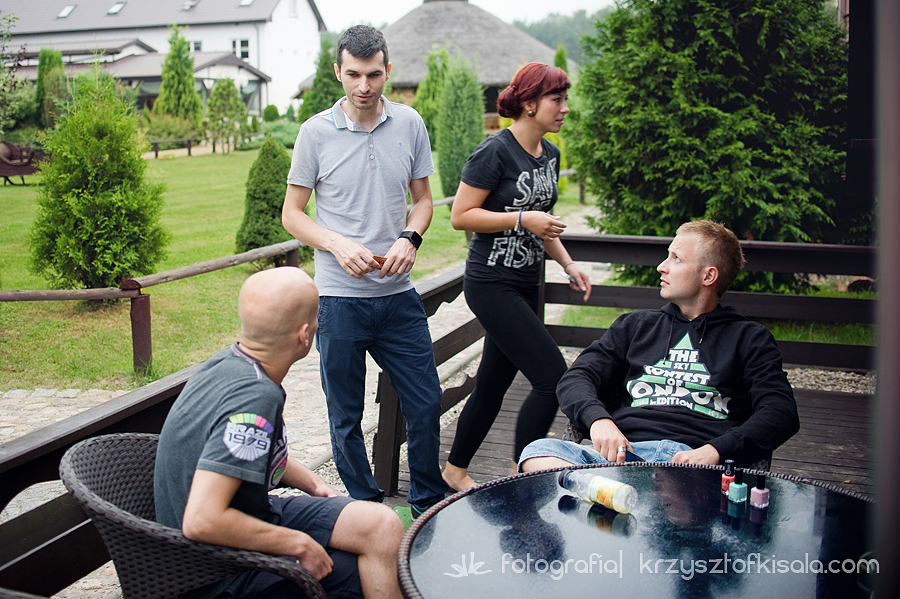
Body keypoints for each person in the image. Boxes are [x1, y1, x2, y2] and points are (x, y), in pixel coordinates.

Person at [154, 267, 404, 599]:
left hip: (252, 516)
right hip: (215, 570)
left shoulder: (230, 362)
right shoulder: (256, 398)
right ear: (305, 335)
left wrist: (314, 484)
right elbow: (201, 520)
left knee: (383, 527)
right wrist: (298, 543)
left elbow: (246, 453)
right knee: (359, 571)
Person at [282, 25, 449, 517]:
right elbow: (292, 214)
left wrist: (410, 237)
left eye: (374, 75)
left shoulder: (410, 124)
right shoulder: (314, 132)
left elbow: (423, 202)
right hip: (337, 299)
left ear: (388, 71)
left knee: (425, 403)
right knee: (345, 419)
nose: (363, 86)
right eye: (353, 75)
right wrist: (335, 243)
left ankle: (426, 507)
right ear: (338, 72)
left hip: (398, 297)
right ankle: (367, 512)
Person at [519, 220, 800, 472]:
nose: (661, 266)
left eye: (676, 258)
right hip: (623, 456)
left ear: (708, 276)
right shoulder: (635, 326)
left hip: (695, 465)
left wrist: (716, 451)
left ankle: (605, 496)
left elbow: (780, 411)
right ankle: (609, 491)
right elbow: (577, 377)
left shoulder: (749, 338)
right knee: (537, 453)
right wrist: (598, 420)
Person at [441, 62, 593, 492]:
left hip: (528, 282)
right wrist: (522, 218)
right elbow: (460, 216)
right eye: (556, 99)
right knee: (553, 379)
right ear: (528, 104)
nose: (565, 108)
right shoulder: (495, 151)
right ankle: (522, 474)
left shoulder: (551, 155)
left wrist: (567, 263)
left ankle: (455, 470)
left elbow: (544, 225)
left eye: (565, 99)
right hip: (491, 283)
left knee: (493, 381)